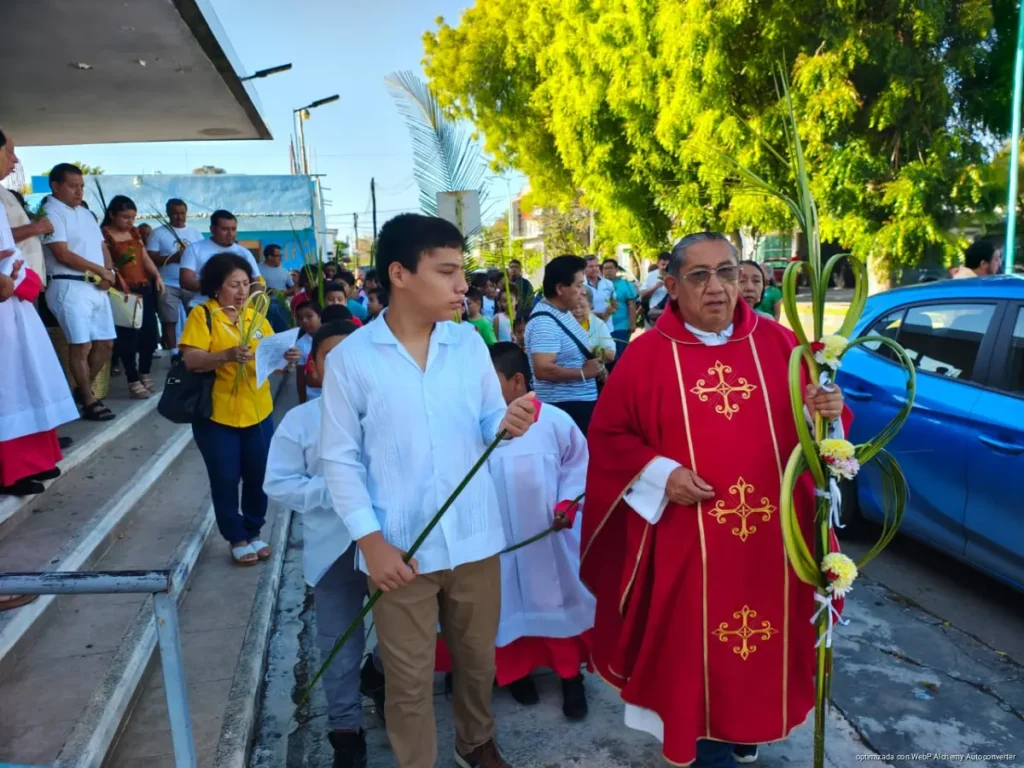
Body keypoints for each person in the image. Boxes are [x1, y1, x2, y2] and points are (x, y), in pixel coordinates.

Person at [581, 232, 848, 768]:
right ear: (673, 287)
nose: (717, 287)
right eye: (699, 276)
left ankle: (746, 731)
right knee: (694, 663)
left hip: (772, 548)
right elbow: (609, 439)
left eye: (727, 272)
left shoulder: (779, 346)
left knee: (760, 658)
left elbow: (825, 440)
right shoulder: (646, 356)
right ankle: (704, 746)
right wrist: (663, 475)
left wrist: (830, 409)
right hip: (690, 548)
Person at [320, 212, 537, 768]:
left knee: (475, 660)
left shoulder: (467, 345)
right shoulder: (352, 359)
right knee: (409, 678)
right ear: (399, 273)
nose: (463, 284)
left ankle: (476, 741)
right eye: (446, 271)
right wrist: (371, 544)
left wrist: (508, 423)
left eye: (461, 270)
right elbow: (339, 460)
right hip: (400, 549)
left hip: (473, 537)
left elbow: (488, 421)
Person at [263, 319, 375, 768]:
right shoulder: (302, 421)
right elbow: (279, 484)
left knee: (407, 636)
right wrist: (334, 492)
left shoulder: (390, 411)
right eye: (333, 357)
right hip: (336, 550)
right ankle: (345, 731)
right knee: (339, 643)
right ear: (314, 367)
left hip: (395, 544)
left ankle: (381, 677)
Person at [487, 342, 593, 718]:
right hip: (497, 542)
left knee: (555, 603)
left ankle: (570, 678)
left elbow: (578, 467)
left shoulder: (554, 422)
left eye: (490, 379)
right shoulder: (480, 425)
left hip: (547, 537)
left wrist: (568, 505)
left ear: (517, 381)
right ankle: (515, 675)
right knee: (504, 608)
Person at [179, 253, 300, 565]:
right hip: (217, 414)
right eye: (234, 284)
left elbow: (271, 361)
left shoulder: (255, 316)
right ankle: (236, 537)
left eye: (246, 283)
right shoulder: (203, 315)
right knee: (225, 477)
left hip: (258, 412)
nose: (242, 290)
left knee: (259, 475)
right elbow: (192, 360)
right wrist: (227, 355)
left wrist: (286, 358)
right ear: (217, 286)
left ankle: (254, 530)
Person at [0, 136, 79, 503]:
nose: (15, 161)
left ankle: (34, 459)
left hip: (16, 302)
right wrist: (18, 278)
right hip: (6, 302)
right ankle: (10, 469)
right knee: (10, 388)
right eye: (9, 151)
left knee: (29, 378)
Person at [41, 163, 118, 422]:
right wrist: (100, 270)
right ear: (56, 186)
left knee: (105, 343)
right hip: (68, 285)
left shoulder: (85, 214)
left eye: (81, 186)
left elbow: (101, 246)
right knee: (80, 344)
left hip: (97, 286)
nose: (79, 191)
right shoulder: (51, 213)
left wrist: (109, 272)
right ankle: (88, 400)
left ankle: (81, 389)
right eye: (73, 186)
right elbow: (61, 253)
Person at [524, 255, 603, 435]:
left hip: (576, 407)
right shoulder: (545, 322)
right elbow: (543, 369)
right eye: (579, 285)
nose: (583, 291)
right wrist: (585, 373)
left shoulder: (562, 313)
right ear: (560, 288)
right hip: (565, 408)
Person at [101, 195, 163, 398]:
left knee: (149, 333)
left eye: (133, 217)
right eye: (125, 217)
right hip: (122, 291)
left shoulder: (134, 233)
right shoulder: (104, 235)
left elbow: (144, 257)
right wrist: (119, 279)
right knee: (127, 337)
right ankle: (132, 378)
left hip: (143, 287)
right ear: (112, 214)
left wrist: (156, 276)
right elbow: (108, 264)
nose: (130, 222)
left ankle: (144, 371)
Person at [147, 199, 204, 352]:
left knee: (195, 316)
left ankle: (195, 348)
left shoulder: (195, 233)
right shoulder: (158, 233)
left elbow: (203, 257)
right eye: (175, 213)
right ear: (168, 214)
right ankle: (173, 352)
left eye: (182, 213)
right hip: (167, 283)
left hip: (191, 282)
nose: (179, 217)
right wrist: (174, 258)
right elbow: (150, 258)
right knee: (169, 319)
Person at [179, 210, 262, 307]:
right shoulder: (194, 249)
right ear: (212, 229)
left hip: (236, 311)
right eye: (225, 229)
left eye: (233, 229)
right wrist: (218, 286)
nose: (230, 233)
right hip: (202, 307)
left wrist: (256, 308)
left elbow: (256, 282)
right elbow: (185, 281)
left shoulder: (244, 253)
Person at [0, 132, 52, 283]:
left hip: (21, 281)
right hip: (10, 282)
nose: (15, 160)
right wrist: (35, 228)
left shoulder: (5, 192)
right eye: (8, 152)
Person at [601, 259, 637, 356]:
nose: (608, 271)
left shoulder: (625, 284)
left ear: (616, 269)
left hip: (621, 324)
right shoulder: (600, 285)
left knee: (619, 353)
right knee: (607, 354)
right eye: (605, 268)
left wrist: (632, 323)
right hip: (604, 325)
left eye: (610, 268)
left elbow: (631, 304)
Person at [571, 290, 616, 364]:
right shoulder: (560, 323)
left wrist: (591, 349)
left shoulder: (598, 324)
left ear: (590, 306)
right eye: (573, 307)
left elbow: (611, 355)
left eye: (582, 307)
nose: (578, 311)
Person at [260, 243, 296, 332]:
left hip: (281, 306)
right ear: (269, 257)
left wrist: (283, 293)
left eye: (281, 255)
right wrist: (267, 290)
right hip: (263, 306)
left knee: (283, 331)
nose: (281, 258)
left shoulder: (284, 271)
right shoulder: (257, 270)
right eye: (278, 256)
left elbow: (293, 289)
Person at [294, 300, 322, 404]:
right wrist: (302, 401)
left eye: (309, 316)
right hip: (313, 397)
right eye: (301, 319)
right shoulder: (301, 344)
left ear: (319, 316)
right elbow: (300, 376)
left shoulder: (330, 337)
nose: (304, 321)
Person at [639, 251, 671, 323]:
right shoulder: (651, 276)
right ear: (658, 263)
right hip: (655, 314)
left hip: (670, 314)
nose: (665, 267)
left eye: (667, 265)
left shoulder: (675, 275)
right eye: (663, 264)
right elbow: (642, 295)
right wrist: (655, 287)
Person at [583, 255, 615, 323]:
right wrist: (599, 316)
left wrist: (610, 310)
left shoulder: (608, 283)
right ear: (583, 268)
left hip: (607, 327)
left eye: (596, 266)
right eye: (590, 266)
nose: (594, 269)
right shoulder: (580, 284)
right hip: (588, 327)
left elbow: (614, 302)